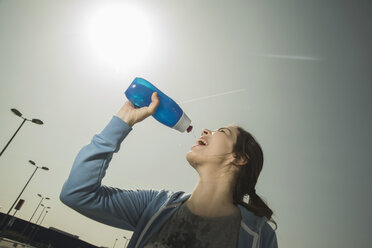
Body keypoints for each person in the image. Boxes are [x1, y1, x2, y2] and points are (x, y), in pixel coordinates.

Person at [60, 92, 278, 248]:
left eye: (222, 131)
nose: (205, 130)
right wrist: (122, 122)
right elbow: (78, 194)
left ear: (238, 158)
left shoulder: (259, 238)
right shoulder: (156, 206)